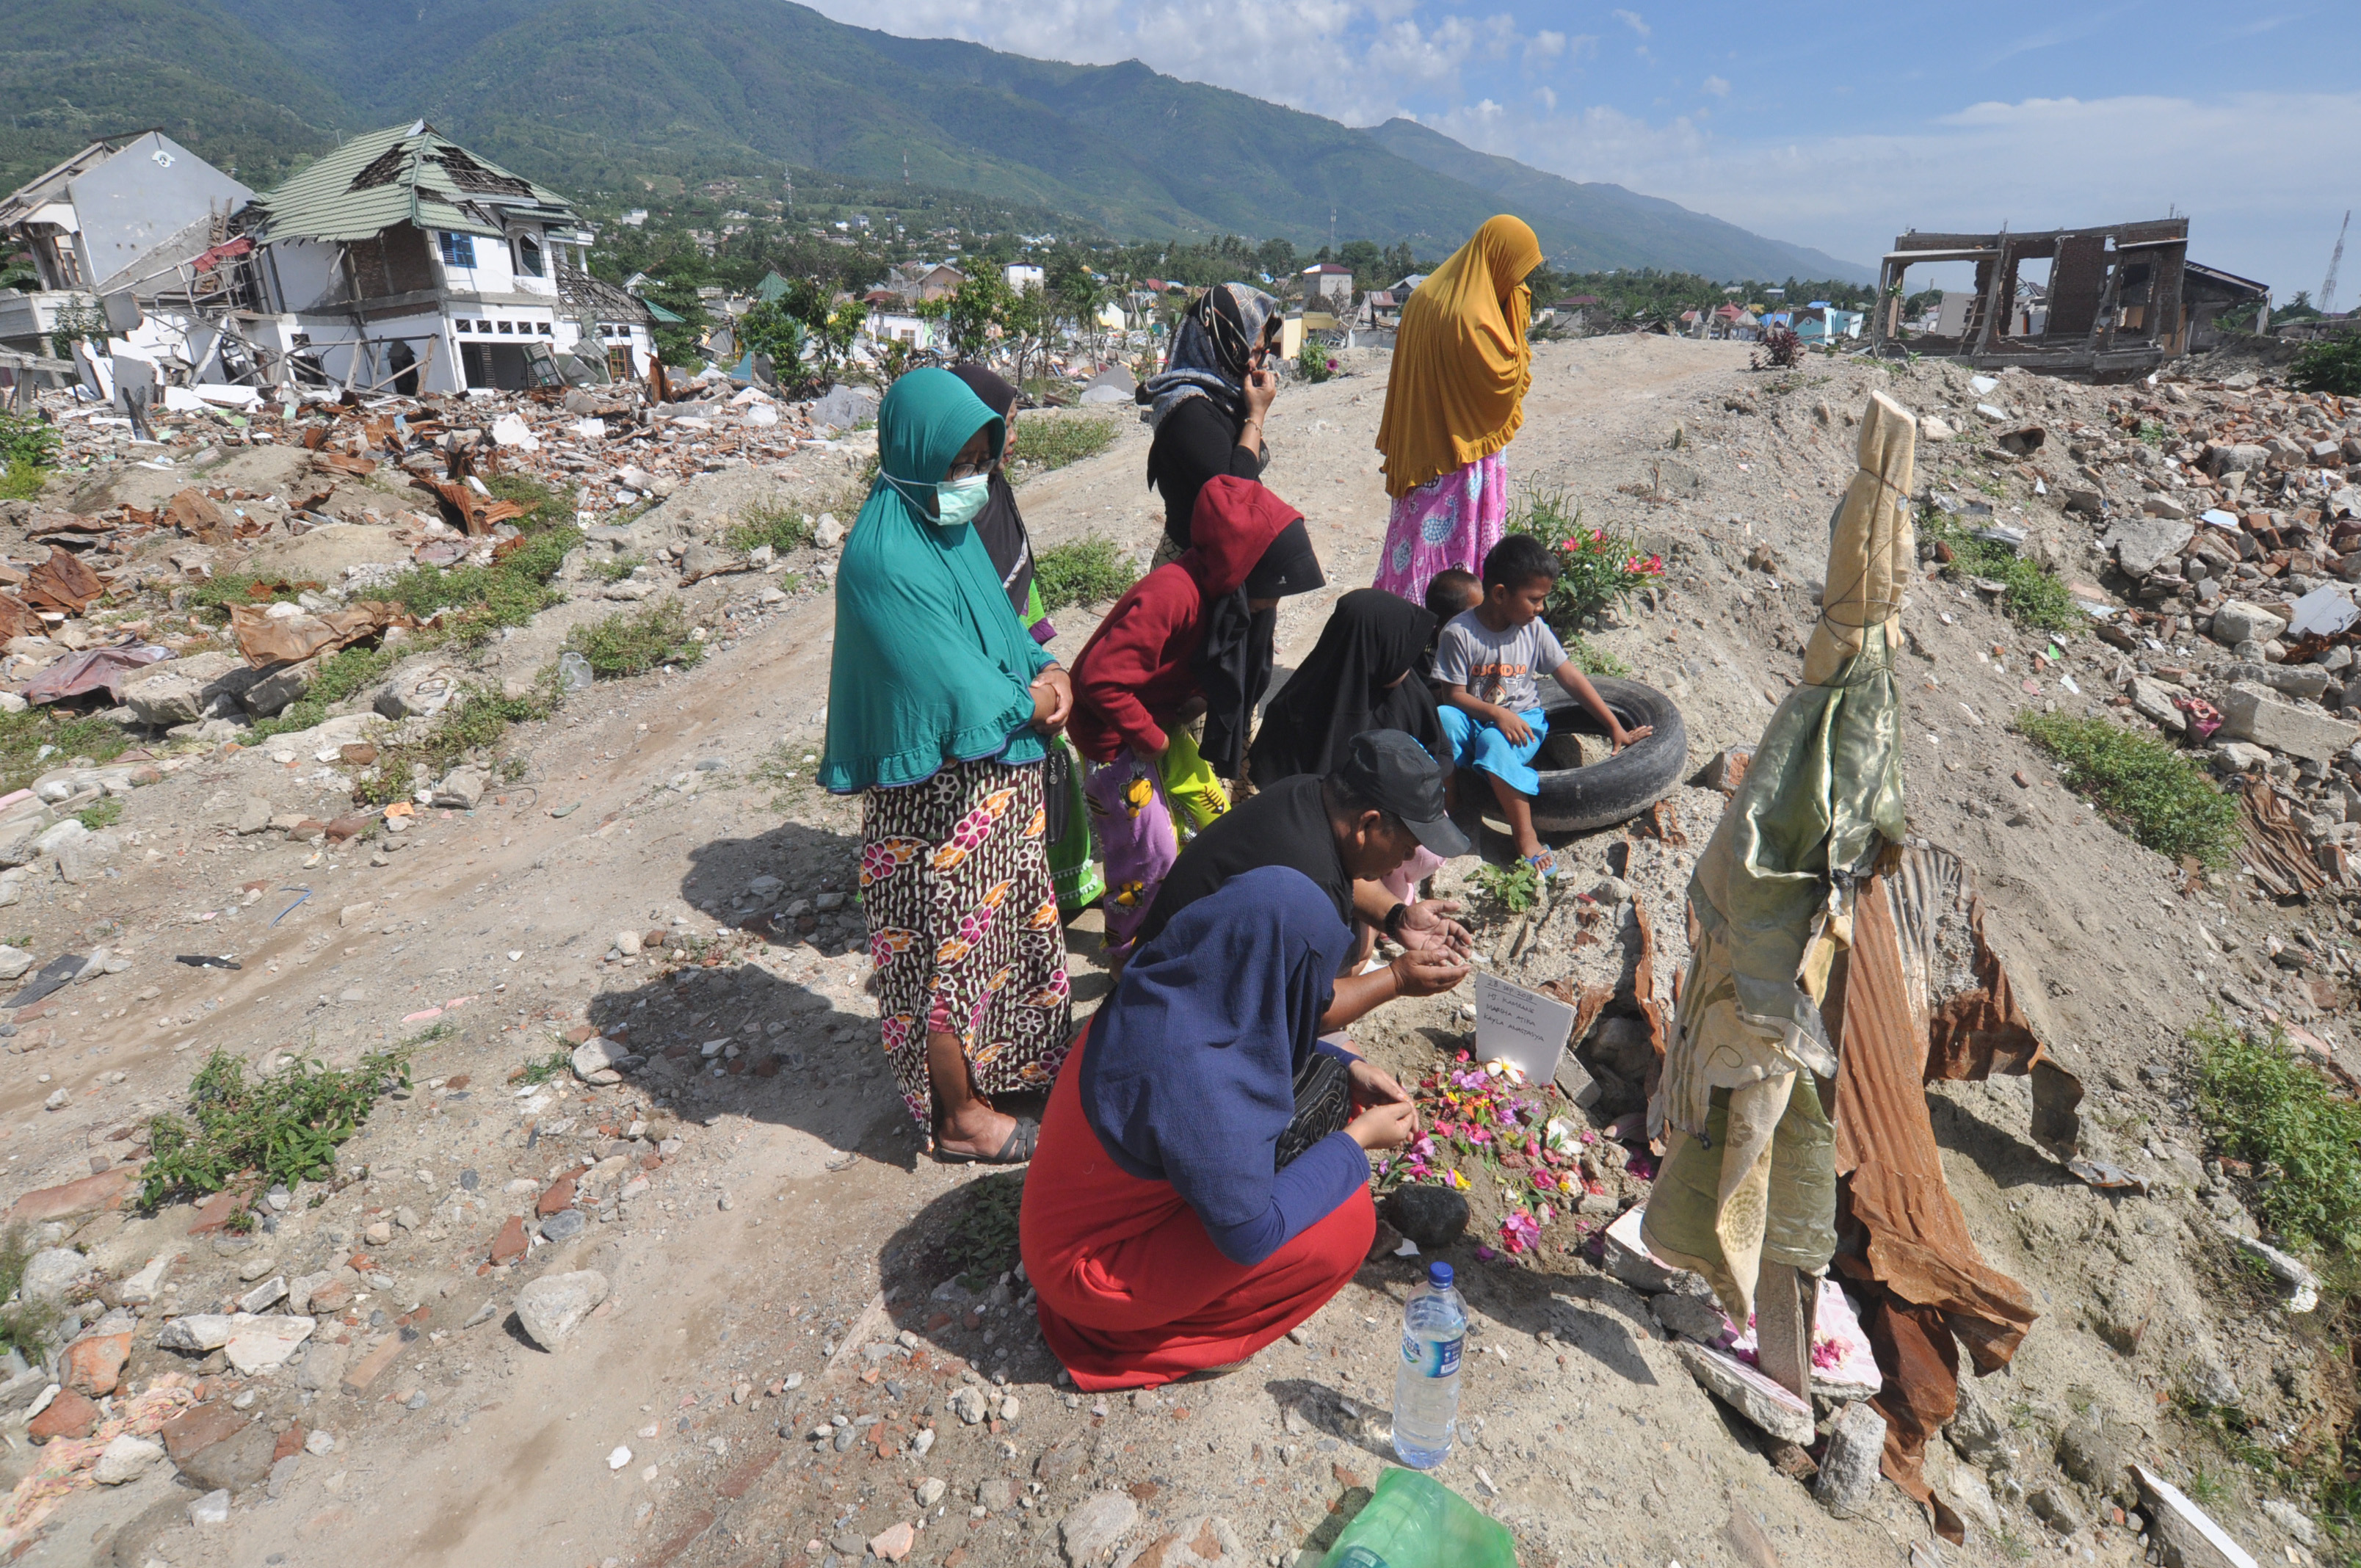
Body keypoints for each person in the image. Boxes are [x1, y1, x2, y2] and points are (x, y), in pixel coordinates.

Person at [1020, 866, 1418, 1390]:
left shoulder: (1164, 982)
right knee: (1347, 1225)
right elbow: (1252, 1237)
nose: (1321, 1001)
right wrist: (1357, 1142)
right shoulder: (1201, 1089)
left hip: (1070, 1226)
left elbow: (1251, 1027)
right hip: (1086, 1279)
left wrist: (1345, 1066)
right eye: (1315, 988)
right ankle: (1164, 1340)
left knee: (1327, 1086)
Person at [818, 368, 1075, 1165]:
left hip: (991, 792)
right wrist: (1039, 700)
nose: (972, 481)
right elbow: (959, 689)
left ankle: (1008, 1069)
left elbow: (1008, 627)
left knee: (1003, 938)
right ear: (912, 450)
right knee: (947, 958)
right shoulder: (885, 560)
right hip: (939, 806)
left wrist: (1051, 670)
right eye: (959, 463)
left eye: (980, 462)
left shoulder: (946, 530)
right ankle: (960, 1114)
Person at [1070, 476, 1324, 957]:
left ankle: (1190, 920)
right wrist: (1152, 738)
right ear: (1244, 567)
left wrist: (1192, 706)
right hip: (1112, 735)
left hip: (1155, 723)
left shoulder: (1221, 594)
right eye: (1271, 588)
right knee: (1147, 855)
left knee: (1213, 818)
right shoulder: (1173, 595)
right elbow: (1100, 679)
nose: (1272, 602)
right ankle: (1128, 952)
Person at [1140, 728, 1471, 1020]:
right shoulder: (1311, 887)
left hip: (1160, 958)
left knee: (1352, 947)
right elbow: (1309, 1012)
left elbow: (1345, 876)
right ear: (1368, 824)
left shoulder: (1313, 792)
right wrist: (1397, 980)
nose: (1408, 858)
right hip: (1171, 1003)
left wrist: (1398, 919)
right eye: (1408, 847)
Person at [1437, 534, 1653, 876]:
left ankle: (1525, 837)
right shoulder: (1459, 633)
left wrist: (1614, 725)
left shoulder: (1534, 630)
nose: (1541, 608)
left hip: (1524, 721)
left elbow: (1571, 679)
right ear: (1500, 594)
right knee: (1443, 720)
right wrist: (1495, 713)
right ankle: (1449, 805)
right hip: (1479, 717)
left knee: (1492, 742)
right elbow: (1453, 696)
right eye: (1535, 599)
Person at [1372, 217, 1545, 604]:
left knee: (1412, 546)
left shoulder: (1426, 295)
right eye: (1517, 273)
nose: (1520, 285)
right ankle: (1454, 638)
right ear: (1498, 259)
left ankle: (1398, 631)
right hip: (1460, 464)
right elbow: (1503, 382)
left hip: (1419, 452)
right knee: (1455, 560)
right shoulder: (1474, 317)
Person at [1142, 284, 1283, 564]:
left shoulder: (1223, 396)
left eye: (1260, 352)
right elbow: (1233, 496)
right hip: (1193, 571)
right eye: (1247, 351)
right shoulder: (1189, 409)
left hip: (1220, 562)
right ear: (1220, 343)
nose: (1254, 365)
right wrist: (1256, 416)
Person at [946, 363, 1056, 643]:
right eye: (1005, 425)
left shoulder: (993, 487)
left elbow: (1017, 566)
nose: (1013, 437)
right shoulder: (950, 506)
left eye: (1012, 423)